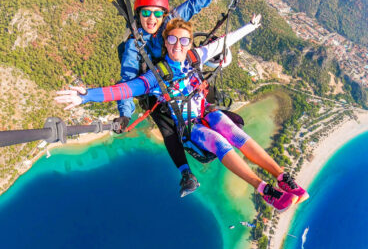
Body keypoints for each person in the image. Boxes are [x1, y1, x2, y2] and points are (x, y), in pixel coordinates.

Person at [56, 15, 309, 212]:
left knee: (230, 129)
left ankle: (283, 177)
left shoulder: (193, 57)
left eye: (184, 40)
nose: (178, 45)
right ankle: (264, 189)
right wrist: (86, 95)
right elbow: (123, 89)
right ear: (165, 42)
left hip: (205, 111)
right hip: (189, 127)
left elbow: (223, 42)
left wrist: (250, 27)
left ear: (189, 42)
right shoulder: (155, 77)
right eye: (173, 40)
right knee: (219, 141)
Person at [115, 0, 239, 197]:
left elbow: (195, 4)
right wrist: (124, 113)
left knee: (202, 92)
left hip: (183, 78)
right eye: (146, 14)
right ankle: (186, 173)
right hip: (157, 91)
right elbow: (127, 81)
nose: (152, 19)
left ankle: (219, 123)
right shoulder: (134, 45)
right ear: (138, 15)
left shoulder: (171, 23)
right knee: (167, 125)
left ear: (164, 14)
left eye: (157, 14)